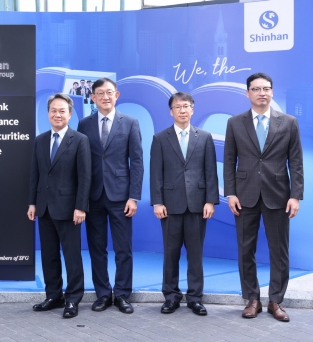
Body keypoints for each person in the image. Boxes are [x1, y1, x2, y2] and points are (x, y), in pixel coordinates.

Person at [224, 72, 303, 322]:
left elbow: (296, 162)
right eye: (256, 89)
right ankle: (252, 299)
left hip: (278, 195)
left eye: (266, 88)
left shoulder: (289, 122)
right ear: (248, 93)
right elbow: (229, 161)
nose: (262, 93)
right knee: (246, 249)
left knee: (279, 251)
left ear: (272, 92)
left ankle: (276, 301)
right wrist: (231, 193)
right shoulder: (235, 123)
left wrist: (295, 196)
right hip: (244, 196)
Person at [77, 78, 143, 314]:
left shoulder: (131, 123)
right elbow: (80, 163)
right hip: (93, 197)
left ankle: (123, 294)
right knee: (97, 248)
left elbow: (136, 161)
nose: (105, 97)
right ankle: (103, 294)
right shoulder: (84, 124)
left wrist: (134, 196)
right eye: (100, 93)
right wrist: (81, 200)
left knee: (123, 249)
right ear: (92, 97)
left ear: (117, 95)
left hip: (121, 196)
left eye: (109, 92)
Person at [150, 92, 219, 316]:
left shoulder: (205, 137)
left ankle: (195, 298)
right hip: (169, 205)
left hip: (198, 205)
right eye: (177, 107)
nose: (182, 110)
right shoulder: (160, 138)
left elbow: (211, 171)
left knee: (195, 254)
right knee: (170, 253)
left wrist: (210, 200)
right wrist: (157, 202)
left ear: (192, 110)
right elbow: (155, 174)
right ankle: (170, 297)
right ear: (171, 111)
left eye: (186, 106)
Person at [28, 93, 91, 318]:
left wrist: (81, 207)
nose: (57, 114)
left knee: (72, 255)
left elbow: (85, 177)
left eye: (62, 110)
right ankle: (53, 295)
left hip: (69, 209)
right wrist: (32, 203)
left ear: (70, 114)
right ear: (48, 114)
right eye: (53, 110)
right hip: (44, 207)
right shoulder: (40, 140)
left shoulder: (80, 140)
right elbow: (35, 174)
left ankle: (73, 299)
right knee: (49, 255)